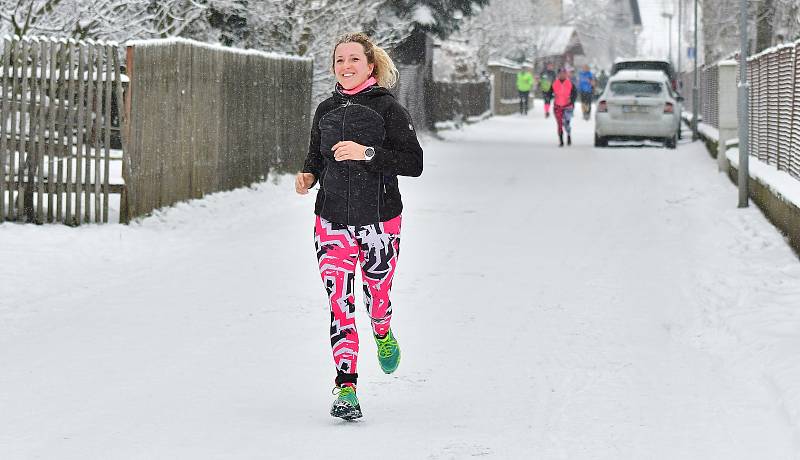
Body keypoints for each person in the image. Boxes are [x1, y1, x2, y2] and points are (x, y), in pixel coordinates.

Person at [296, 33, 423, 421]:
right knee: (340, 305)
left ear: (370, 65)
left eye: (354, 59)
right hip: (331, 221)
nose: (346, 66)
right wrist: (307, 177)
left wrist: (366, 153)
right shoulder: (325, 110)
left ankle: (382, 331)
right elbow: (315, 158)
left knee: (377, 298)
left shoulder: (389, 110)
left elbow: (413, 163)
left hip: (380, 222)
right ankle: (346, 387)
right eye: (339, 60)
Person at [552, 67, 577, 147]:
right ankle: (561, 140)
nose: (562, 75)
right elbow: (549, 93)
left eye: (564, 73)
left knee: (566, 123)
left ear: (566, 74)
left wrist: (571, 101)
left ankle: (569, 135)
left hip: (568, 107)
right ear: (558, 74)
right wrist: (548, 100)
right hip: (557, 106)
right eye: (560, 73)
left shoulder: (570, 83)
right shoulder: (555, 83)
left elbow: (575, 94)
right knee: (559, 123)